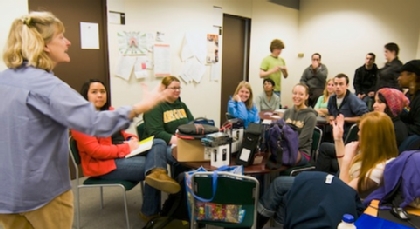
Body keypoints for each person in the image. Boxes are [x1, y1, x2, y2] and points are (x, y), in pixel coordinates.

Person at [0, 11, 166, 229]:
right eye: (61, 37)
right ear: (45, 45)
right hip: (42, 196)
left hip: (7, 194)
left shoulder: (4, 80)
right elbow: (95, 123)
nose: (67, 42)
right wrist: (141, 107)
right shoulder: (49, 87)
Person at [255, 112, 398, 228]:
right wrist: (338, 138)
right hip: (336, 188)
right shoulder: (369, 154)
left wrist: (348, 159)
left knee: (280, 184)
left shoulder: (379, 169)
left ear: (372, 136)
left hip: (339, 201)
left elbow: (344, 193)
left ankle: (257, 222)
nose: (359, 134)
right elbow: (345, 171)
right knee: (286, 196)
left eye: (361, 131)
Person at [70, 79, 180, 221]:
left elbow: (121, 134)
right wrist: (126, 147)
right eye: (94, 92)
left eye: (102, 92)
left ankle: (178, 200)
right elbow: (96, 151)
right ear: (86, 95)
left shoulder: (109, 111)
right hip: (104, 165)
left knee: (159, 144)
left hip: (123, 154)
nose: (100, 95)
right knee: (153, 166)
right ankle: (151, 212)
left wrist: (131, 139)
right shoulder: (80, 121)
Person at [143, 76, 194, 173]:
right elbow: (155, 132)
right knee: (183, 158)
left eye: (179, 88)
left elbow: (191, 123)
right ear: (163, 89)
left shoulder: (182, 105)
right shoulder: (155, 107)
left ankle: (184, 185)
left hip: (182, 141)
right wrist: (177, 141)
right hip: (160, 146)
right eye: (174, 88)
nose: (177, 90)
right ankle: (179, 184)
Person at [283, 83, 318, 163]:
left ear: (306, 96)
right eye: (295, 93)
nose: (297, 96)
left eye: (301, 94)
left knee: (282, 157)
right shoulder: (287, 112)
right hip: (286, 148)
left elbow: (301, 141)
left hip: (302, 152)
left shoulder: (310, 116)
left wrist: (284, 148)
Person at [259, 39, 288, 107]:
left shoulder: (281, 60)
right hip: (268, 90)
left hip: (278, 89)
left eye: (281, 49)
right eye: (278, 49)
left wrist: (285, 70)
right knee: (268, 110)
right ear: (273, 48)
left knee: (276, 111)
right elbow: (261, 74)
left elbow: (285, 76)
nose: (280, 51)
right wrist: (272, 70)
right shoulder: (266, 59)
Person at [398, 60, 420, 136]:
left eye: (401, 75)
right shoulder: (410, 94)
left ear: (412, 76)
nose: (399, 78)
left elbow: (418, 130)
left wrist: (395, 126)